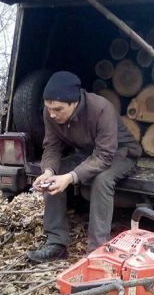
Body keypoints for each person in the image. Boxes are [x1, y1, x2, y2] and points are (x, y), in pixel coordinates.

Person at [27, 71, 142, 263]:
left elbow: (105, 156)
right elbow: (52, 147)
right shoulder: (51, 113)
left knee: (102, 180)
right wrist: (48, 171)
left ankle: (97, 250)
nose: (52, 114)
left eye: (58, 109)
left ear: (74, 102)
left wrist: (70, 177)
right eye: (49, 108)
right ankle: (56, 243)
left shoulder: (101, 108)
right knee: (54, 176)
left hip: (120, 153)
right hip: (88, 152)